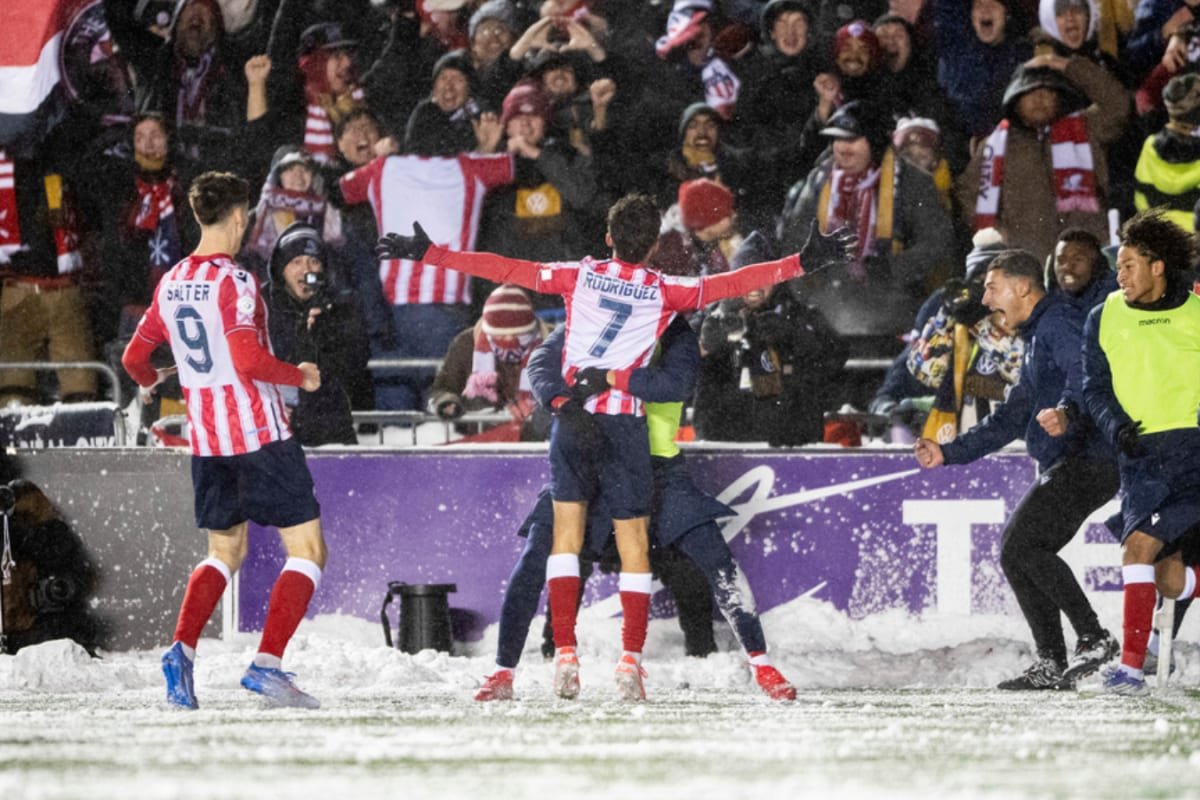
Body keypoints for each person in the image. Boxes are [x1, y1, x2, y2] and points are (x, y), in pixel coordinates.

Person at [377, 193, 854, 701]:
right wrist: (801, 263)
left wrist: (435, 255)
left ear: (608, 238)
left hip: (647, 461)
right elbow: (729, 285)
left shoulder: (586, 288)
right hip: (612, 434)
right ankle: (523, 669)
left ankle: (754, 663)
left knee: (683, 559)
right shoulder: (668, 295)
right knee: (550, 558)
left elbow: (510, 269)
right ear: (654, 247)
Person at [474, 315, 797, 702]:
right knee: (534, 558)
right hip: (590, 461)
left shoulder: (676, 332)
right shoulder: (592, 315)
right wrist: (562, 403)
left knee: (715, 556)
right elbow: (542, 360)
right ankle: (502, 671)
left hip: (659, 470)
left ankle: (761, 663)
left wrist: (609, 376)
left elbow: (673, 384)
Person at [121, 172, 328, 710]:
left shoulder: (171, 282)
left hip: (208, 440)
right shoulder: (234, 280)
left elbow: (132, 361)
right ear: (238, 217)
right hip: (260, 434)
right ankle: (267, 666)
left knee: (223, 551)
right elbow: (248, 361)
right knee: (307, 551)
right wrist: (300, 376)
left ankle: (180, 652)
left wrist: (152, 383)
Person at [914, 249, 1120, 690]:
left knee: (1024, 547)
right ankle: (1052, 660)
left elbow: (1087, 375)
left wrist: (1066, 411)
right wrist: (949, 453)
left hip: (1090, 458)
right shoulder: (1037, 336)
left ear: (1023, 288)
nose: (986, 299)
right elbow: (1010, 418)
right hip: (1075, 460)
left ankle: (1093, 636)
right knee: (1017, 552)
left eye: (993, 287)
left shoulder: (1058, 323)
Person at [1080, 208, 1200, 695]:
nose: (1120, 274)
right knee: (1170, 580)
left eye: (1130, 264)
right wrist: (1116, 427)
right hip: (1140, 459)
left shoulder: (1196, 311)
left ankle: (1130, 671)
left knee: (1137, 550)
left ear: (1158, 266)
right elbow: (1094, 389)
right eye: (1119, 266)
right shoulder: (1103, 315)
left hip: (1192, 453)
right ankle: (1137, 662)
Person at [266, 222, 372, 447]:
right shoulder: (260, 304)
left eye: (314, 261)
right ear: (281, 268)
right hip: (270, 426)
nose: (306, 270)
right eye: (296, 262)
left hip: (327, 426)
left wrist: (325, 332)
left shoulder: (342, 305)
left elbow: (353, 366)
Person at [427, 284, 551, 442]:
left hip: (539, 440)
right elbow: (441, 389)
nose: (508, 341)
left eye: (517, 336)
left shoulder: (554, 343)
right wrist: (446, 402)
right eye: (500, 336)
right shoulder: (466, 344)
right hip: (481, 438)